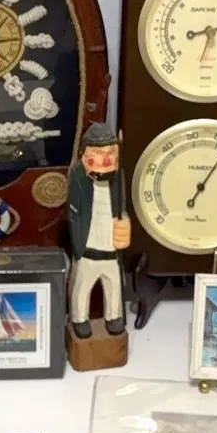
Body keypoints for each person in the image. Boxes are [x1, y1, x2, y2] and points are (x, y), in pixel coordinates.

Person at [66, 122, 131, 339]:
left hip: (111, 250)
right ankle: (79, 319)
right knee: (82, 287)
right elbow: (74, 214)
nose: (106, 160)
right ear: (84, 154)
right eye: (99, 153)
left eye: (111, 153)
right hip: (88, 250)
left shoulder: (118, 177)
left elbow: (122, 207)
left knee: (114, 287)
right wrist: (78, 248)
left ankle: (113, 317)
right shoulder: (78, 177)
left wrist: (124, 223)